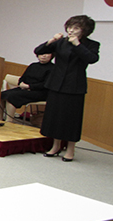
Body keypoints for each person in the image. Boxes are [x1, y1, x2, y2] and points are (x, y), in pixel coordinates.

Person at [35, 15, 100, 162]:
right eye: (69, 27)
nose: (71, 30)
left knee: (71, 118)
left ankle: (71, 149)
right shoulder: (61, 43)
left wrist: (77, 44)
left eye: (76, 28)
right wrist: (51, 41)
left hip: (74, 86)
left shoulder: (91, 44)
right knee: (55, 117)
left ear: (85, 30)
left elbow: (92, 59)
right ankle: (56, 146)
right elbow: (38, 50)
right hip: (56, 84)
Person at [0, 52, 53, 123]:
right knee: (1, 94)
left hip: (40, 92)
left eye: (47, 54)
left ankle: (9, 120)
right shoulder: (33, 65)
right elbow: (22, 78)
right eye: (41, 54)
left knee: (12, 96)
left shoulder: (53, 68)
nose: (44, 56)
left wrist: (29, 86)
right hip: (25, 89)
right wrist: (21, 83)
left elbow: (46, 84)